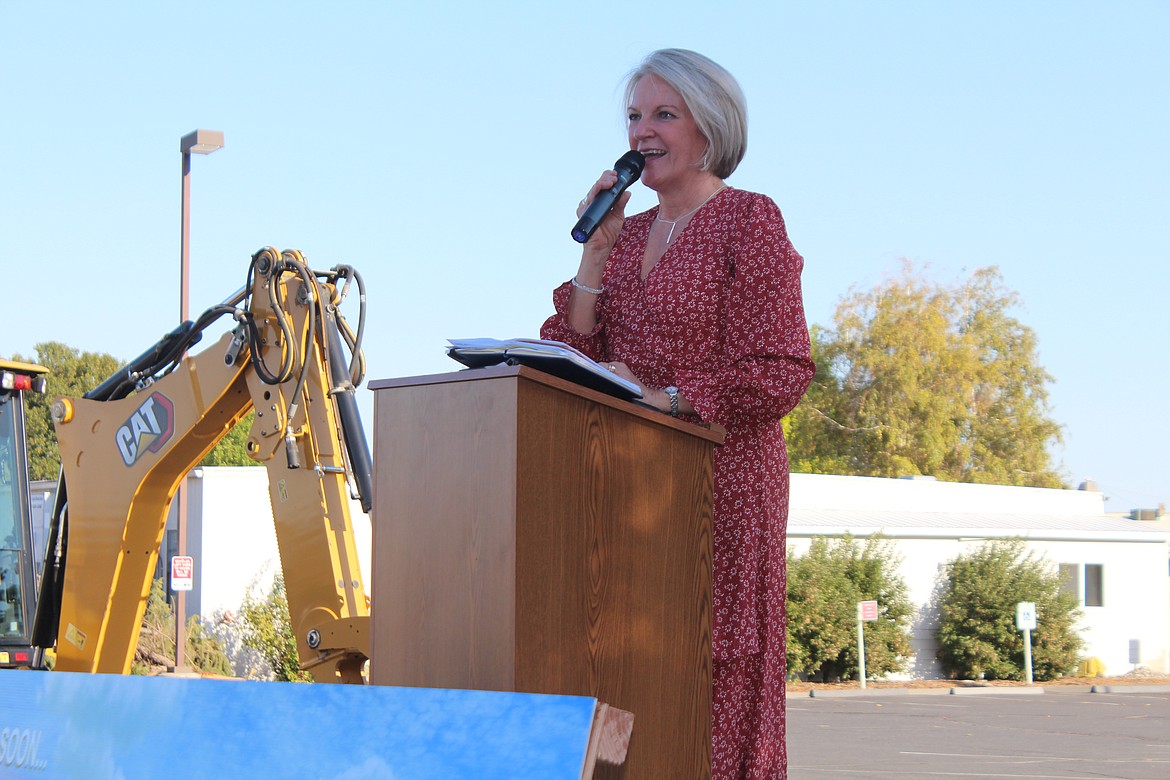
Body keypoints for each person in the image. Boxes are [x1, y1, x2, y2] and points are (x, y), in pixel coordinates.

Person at [540, 48, 815, 778]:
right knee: (621, 663)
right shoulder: (622, 236)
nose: (641, 132)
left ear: (710, 126)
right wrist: (593, 259)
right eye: (634, 116)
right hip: (627, 490)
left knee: (711, 671)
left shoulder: (748, 221)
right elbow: (569, 346)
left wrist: (669, 399)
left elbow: (780, 368)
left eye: (664, 114)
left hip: (719, 489)